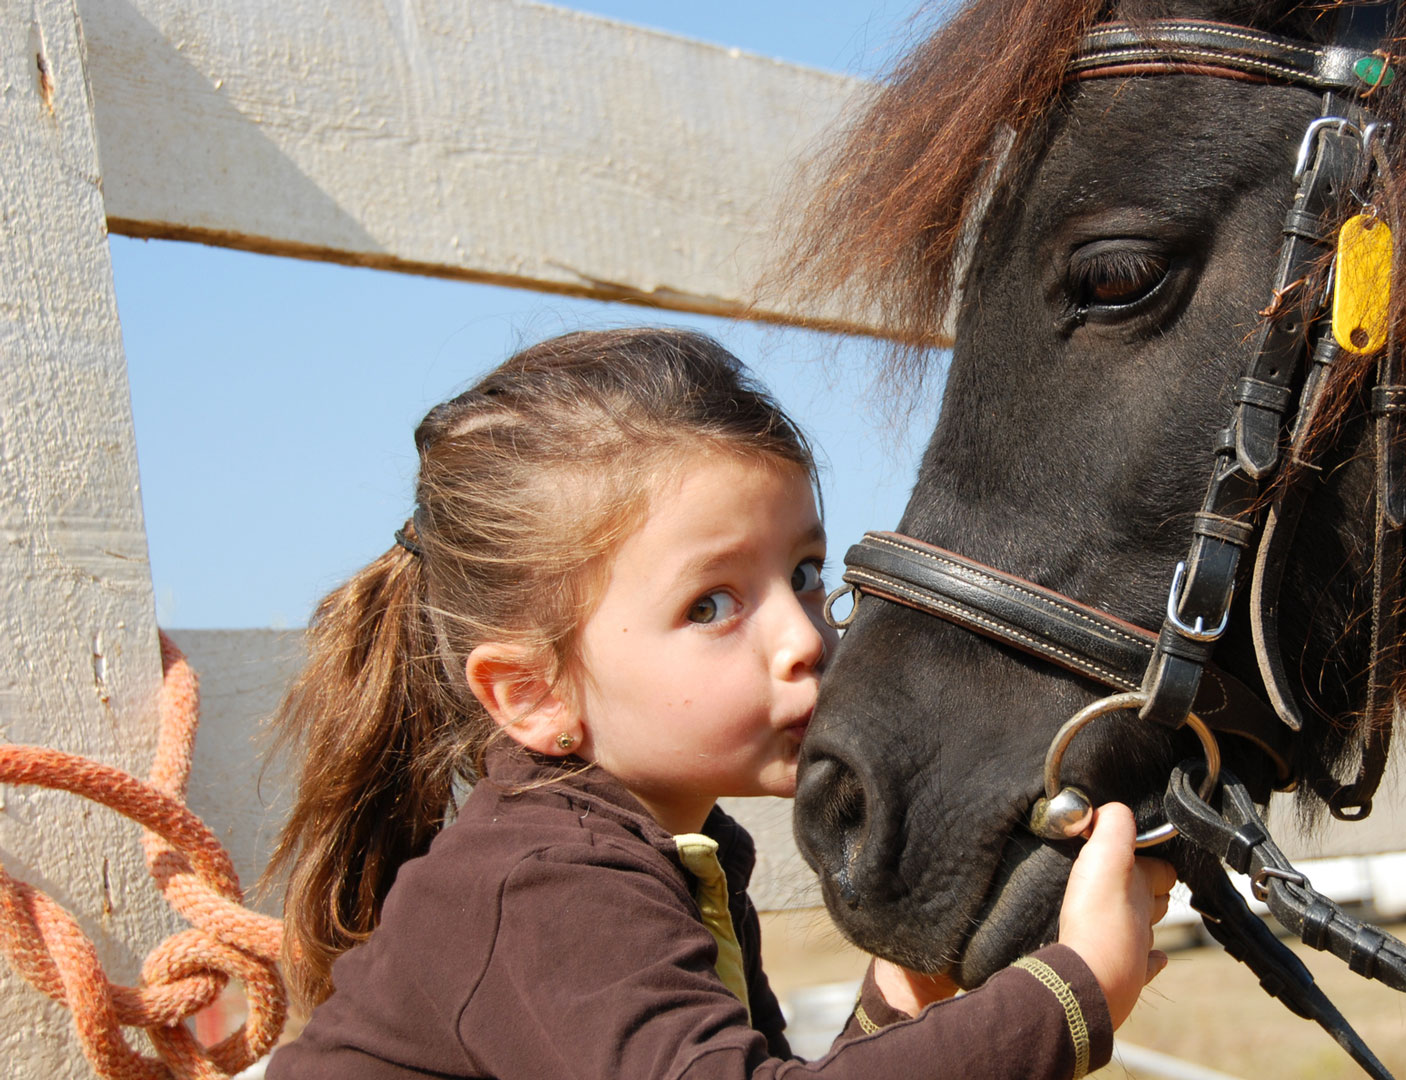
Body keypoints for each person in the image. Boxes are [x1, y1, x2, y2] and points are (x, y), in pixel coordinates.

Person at [264, 328, 1174, 1080]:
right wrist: (1073, 994)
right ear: (532, 695)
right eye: (710, 605)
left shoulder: (661, 849)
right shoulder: (540, 883)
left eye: (804, 574)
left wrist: (896, 1001)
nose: (807, 637)